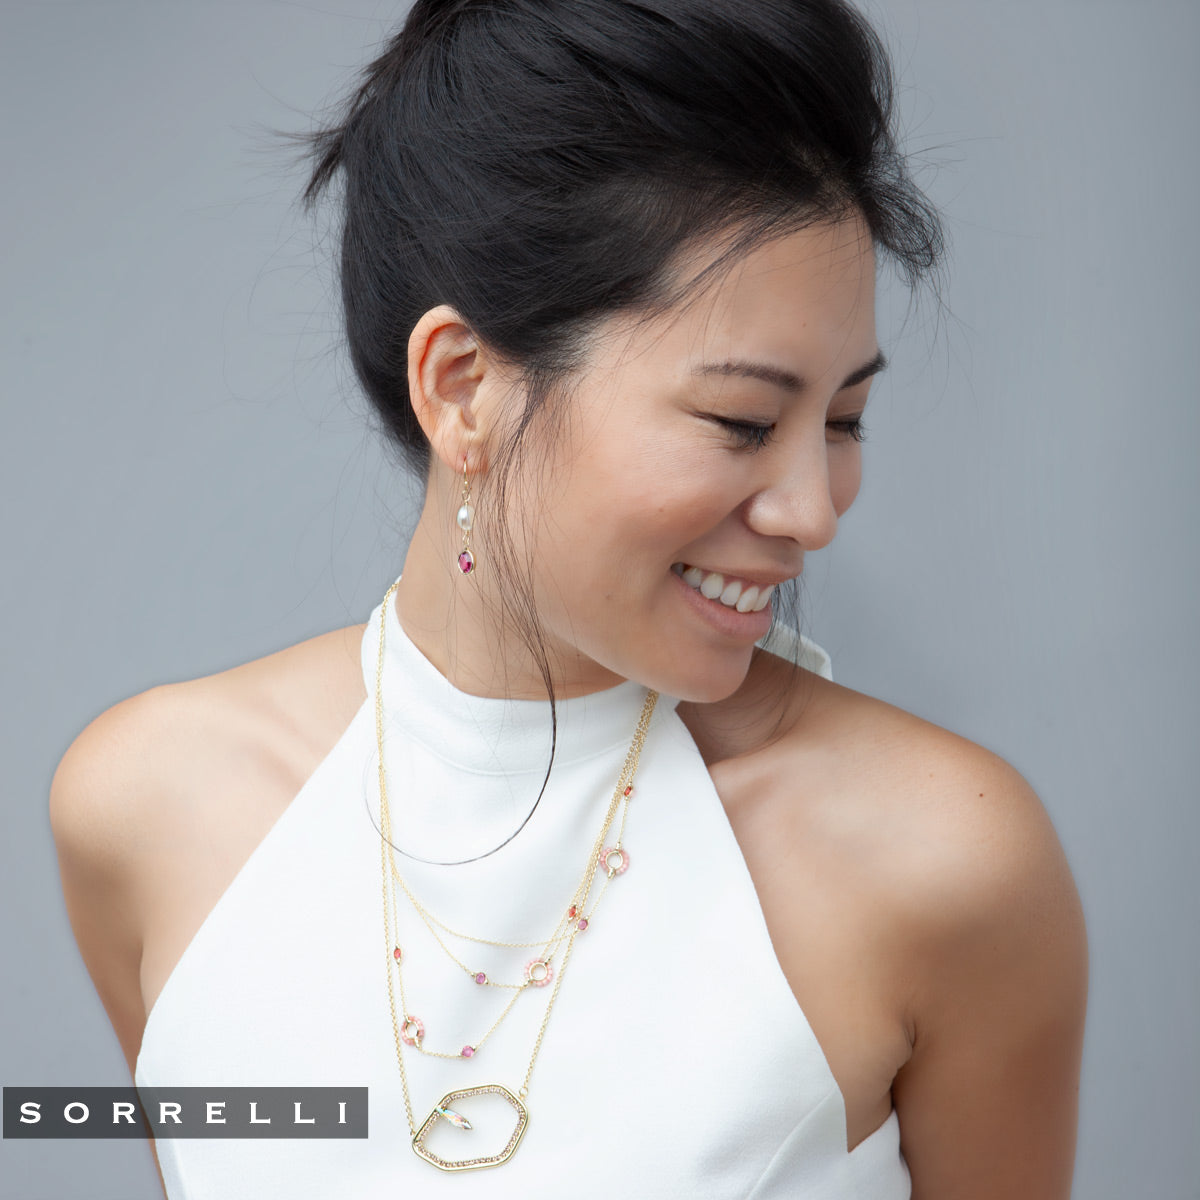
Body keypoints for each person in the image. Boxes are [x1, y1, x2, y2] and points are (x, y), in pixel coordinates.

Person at [49, 0, 1087, 1196]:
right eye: (743, 421)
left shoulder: (939, 860)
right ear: (463, 388)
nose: (814, 511)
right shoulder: (145, 808)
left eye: (843, 420)